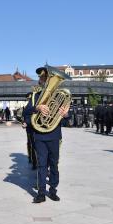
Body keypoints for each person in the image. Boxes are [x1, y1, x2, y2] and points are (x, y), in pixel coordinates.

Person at [23, 66, 70, 203]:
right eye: (43, 78)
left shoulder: (60, 96)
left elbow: (67, 116)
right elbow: (26, 112)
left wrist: (65, 114)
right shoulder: (35, 96)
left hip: (54, 135)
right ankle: (41, 193)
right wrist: (37, 107)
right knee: (42, 165)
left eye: (46, 78)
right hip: (40, 135)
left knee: (54, 165)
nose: (43, 80)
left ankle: (53, 191)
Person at [23, 92, 37, 170]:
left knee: (34, 145)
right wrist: (24, 122)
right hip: (29, 128)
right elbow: (24, 115)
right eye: (28, 98)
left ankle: (35, 161)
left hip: (36, 127)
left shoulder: (35, 104)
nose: (29, 100)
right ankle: (32, 160)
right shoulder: (27, 106)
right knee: (31, 144)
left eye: (30, 98)